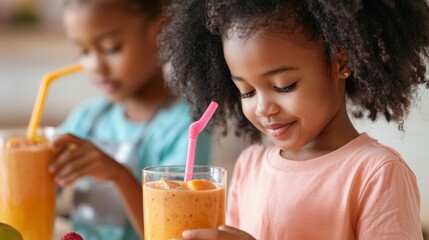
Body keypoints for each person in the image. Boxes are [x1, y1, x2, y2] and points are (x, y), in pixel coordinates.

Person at [160, 0, 429, 239]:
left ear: (341, 62)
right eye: (247, 92)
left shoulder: (376, 174)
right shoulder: (250, 166)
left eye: (284, 86)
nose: (264, 108)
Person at [48, 0, 212, 239]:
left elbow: (174, 233)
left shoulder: (186, 128)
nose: (95, 66)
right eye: (84, 51)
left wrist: (119, 174)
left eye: (111, 47)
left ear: (160, 30)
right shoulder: (87, 118)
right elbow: (42, 188)